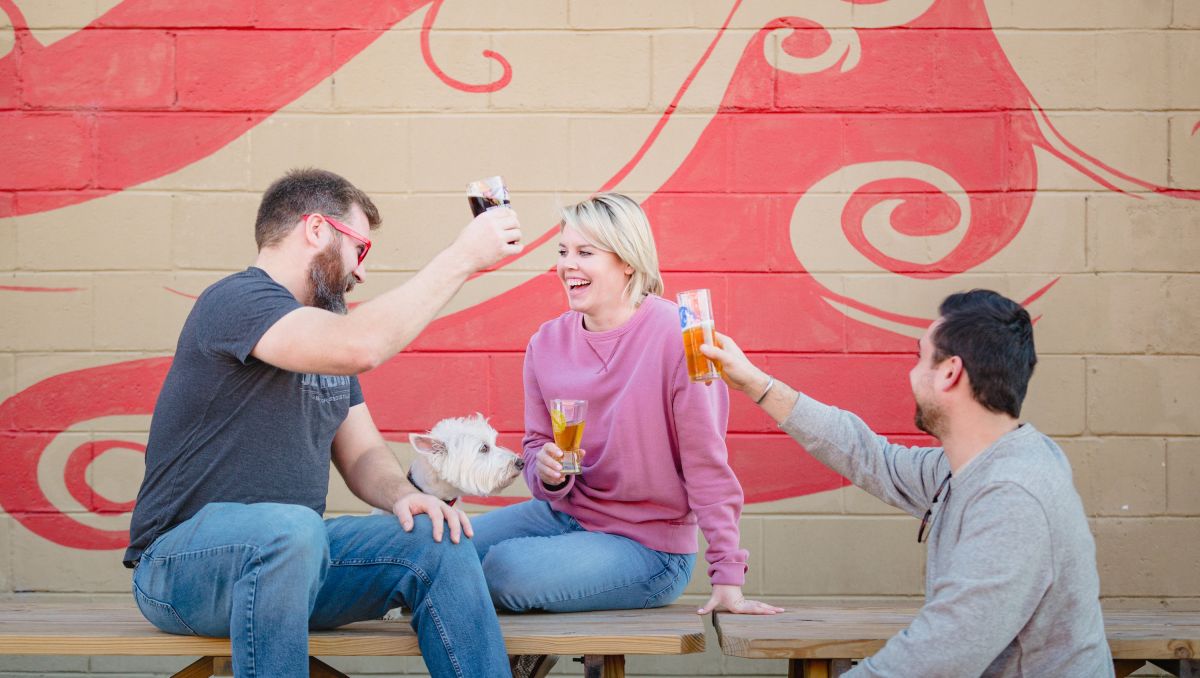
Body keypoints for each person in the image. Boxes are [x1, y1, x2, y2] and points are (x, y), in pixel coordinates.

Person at [123, 168, 522, 678]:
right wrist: (462, 258)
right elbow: (361, 345)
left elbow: (362, 454)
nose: (360, 272)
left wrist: (405, 497)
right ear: (316, 230)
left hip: (293, 563)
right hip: (182, 571)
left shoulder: (320, 336)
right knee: (291, 528)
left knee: (438, 537)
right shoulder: (236, 302)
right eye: (360, 249)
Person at [700, 289, 1113, 677]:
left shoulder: (1013, 495)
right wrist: (756, 382)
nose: (911, 373)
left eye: (920, 358)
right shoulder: (970, 468)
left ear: (950, 372)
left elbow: (942, 653)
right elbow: (867, 456)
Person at [472, 193, 781, 620]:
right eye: (563, 252)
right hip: (565, 516)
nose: (567, 265)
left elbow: (706, 464)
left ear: (628, 262)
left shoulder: (680, 338)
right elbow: (536, 449)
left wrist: (728, 576)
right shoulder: (546, 342)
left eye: (585, 252)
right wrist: (546, 470)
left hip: (648, 548)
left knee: (503, 570)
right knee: (441, 547)